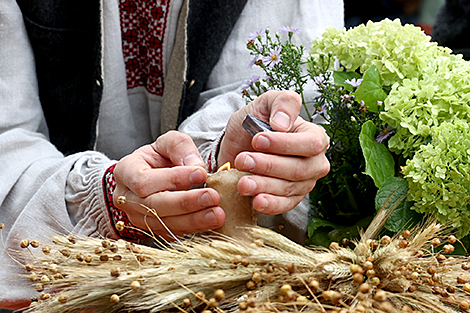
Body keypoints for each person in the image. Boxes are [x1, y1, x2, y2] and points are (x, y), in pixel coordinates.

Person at [0, 0, 343, 309]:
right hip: (56, 272)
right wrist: (102, 198)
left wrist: (227, 154)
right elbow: (6, 136)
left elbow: (272, 84)